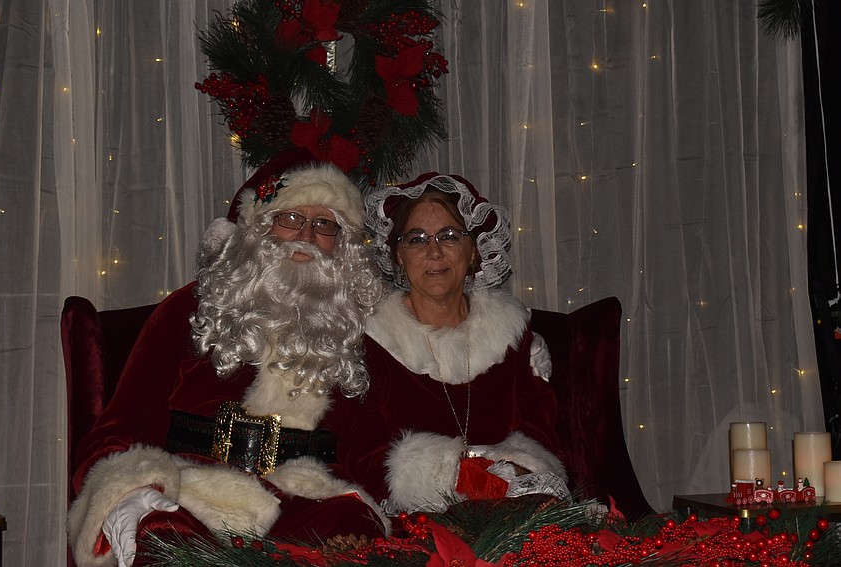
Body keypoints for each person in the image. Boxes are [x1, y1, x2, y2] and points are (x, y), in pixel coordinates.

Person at [68, 155, 388, 567]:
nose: (306, 236)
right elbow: (121, 426)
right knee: (161, 527)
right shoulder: (189, 308)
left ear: (340, 243)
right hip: (194, 491)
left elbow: (372, 448)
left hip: (303, 501)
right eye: (289, 217)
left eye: (325, 224)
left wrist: (443, 475)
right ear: (257, 228)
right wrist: (132, 490)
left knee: (352, 524)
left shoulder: (350, 329)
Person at [328, 172, 569, 515]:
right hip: (418, 518)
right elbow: (362, 452)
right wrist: (461, 482)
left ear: (474, 252)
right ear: (398, 255)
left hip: (513, 504)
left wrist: (509, 476)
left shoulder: (513, 334)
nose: (434, 251)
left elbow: (539, 431)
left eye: (450, 236)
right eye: (416, 239)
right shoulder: (370, 340)